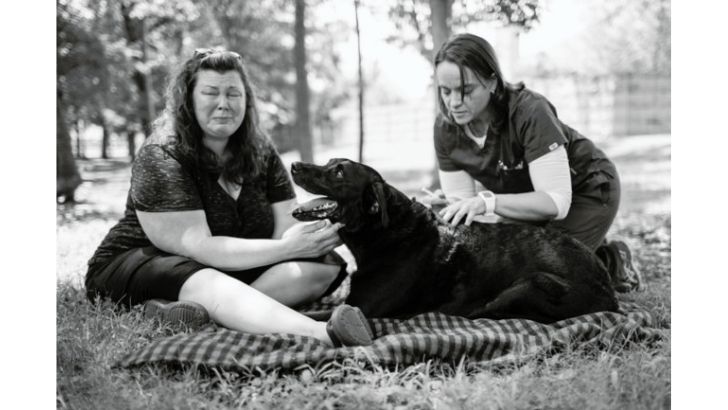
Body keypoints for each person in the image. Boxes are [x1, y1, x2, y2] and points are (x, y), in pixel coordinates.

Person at [84, 48, 373, 347]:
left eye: (233, 93)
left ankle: (206, 313)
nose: (224, 103)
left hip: (226, 267)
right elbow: (199, 246)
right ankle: (322, 333)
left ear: (246, 100)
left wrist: (311, 237)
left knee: (325, 264)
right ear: (188, 100)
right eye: (211, 92)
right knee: (204, 277)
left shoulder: (261, 151)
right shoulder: (162, 154)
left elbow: (286, 224)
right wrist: (287, 248)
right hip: (143, 262)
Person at [430, 33, 641, 292]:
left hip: (587, 188)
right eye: (446, 91)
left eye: (466, 90)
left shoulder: (530, 111)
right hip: (528, 198)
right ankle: (597, 251)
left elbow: (555, 202)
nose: (454, 102)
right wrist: (451, 210)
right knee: (503, 269)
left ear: (492, 82)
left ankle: (613, 260)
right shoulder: (445, 129)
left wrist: (487, 203)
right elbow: (464, 213)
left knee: (542, 282)